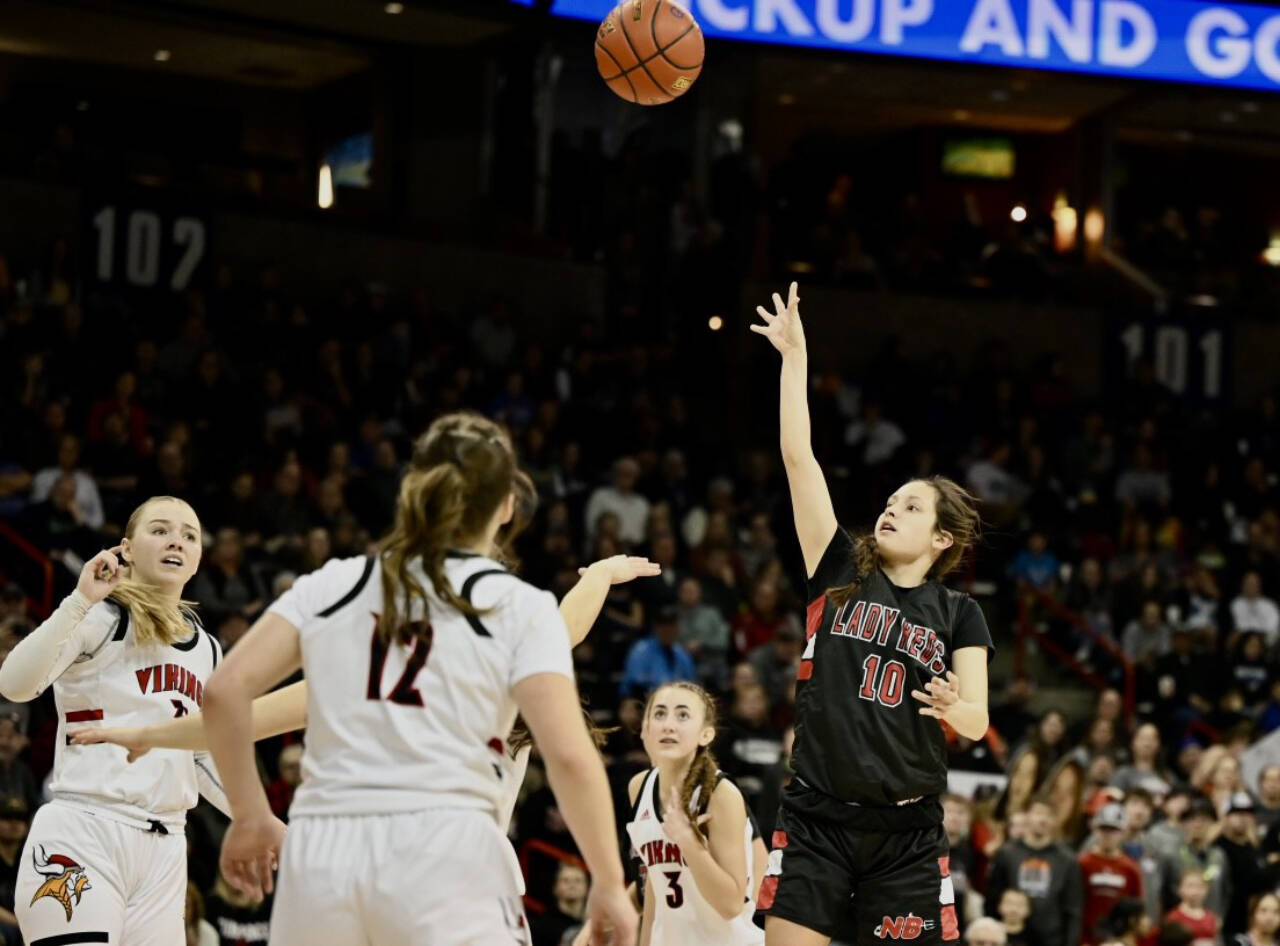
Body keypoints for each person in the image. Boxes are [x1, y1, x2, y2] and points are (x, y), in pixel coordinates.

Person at [199, 412, 638, 946]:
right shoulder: (515, 606)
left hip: (323, 851)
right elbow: (571, 757)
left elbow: (223, 693)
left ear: (414, 491)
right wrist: (609, 881)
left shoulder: (337, 583)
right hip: (443, 846)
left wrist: (249, 815)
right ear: (507, 506)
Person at [751, 283, 993, 946]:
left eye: (912, 507)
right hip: (815, 818)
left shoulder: (960, 615)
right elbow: (798, 458)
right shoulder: (835, 569)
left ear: (943, 538)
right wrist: (793, 359)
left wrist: (951, 706)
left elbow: (977, 719)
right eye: (890, 501)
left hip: (908, 836)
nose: (891, 509)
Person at [0, 496, 251, 946]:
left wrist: (259, 819)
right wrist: (78, 601)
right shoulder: (102, 617)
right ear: (127, 548)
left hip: (167, 849)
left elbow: (200, 757)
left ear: (197, 560)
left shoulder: (209, 651)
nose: (176, 540)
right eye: (160, 530)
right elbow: (15, 684)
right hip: (87, 833)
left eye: (189, 535)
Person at [625, 681, 763, 945]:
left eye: (683, 715)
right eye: (660, 713)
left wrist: (689, 843)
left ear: (706, 735)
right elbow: (655, 885)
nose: (668, 724)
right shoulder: (639, 787)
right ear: (646, 729)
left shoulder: (721, 795)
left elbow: (731, 904)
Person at [984, 797, 1084, 946]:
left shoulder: (1067, 860)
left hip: (1051, 939)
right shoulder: (1007, 853)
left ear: (1055, 820)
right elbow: (992, 899)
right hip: (1010, 938)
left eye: (1049, 815)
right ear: (1027, 816)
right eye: (1038, 813)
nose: (1043, 819)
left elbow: (1073, 909)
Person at [1078, 803, 1144, 946]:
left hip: (1118, 940)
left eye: (1113, 830)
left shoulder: (1131, 869)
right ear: (1095, 830)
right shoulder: (1082, 864)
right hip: (1086, 939)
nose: (1107, 835)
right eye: (1104, 829)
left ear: (1123, 832)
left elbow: (1136, 910)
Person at [1165, 869, 1220, 946]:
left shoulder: (1211, 917)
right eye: (1190, 886)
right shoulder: (1173, 917)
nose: (1195, 891)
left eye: (1199, 886)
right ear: (1180, 889)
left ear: (1206, 889)